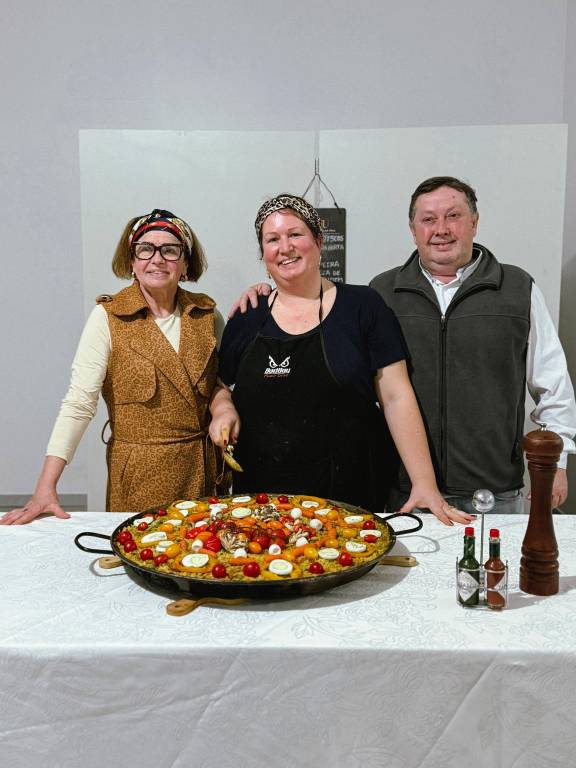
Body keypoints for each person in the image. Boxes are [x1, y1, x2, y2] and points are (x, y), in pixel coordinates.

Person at [233, 179, 576, 514]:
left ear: (474, 222)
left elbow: (553, 381)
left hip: (493, 488)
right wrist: (265, 293)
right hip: (402, 489)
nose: (441, 229)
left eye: (453, 216)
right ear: (413, 230)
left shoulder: (517, 289)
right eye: (428, 219)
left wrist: (556, 462)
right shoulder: (383, 292)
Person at [209, 194, 472, 526]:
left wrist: (424, 483)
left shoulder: (363, 307)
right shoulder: (247, 316)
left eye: (295, 234)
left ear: (319, 241)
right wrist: (223, 408)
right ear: (263, 254)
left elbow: (396, 396)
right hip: (264, 507)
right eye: (272, 240)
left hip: (351, 503)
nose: (285, 247)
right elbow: (220, 385)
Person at [1, 209, 222, 525]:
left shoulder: (207, 315)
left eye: (170, 250)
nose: (157, 259)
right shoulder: (108, 318)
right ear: (132, 261)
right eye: (145, 249)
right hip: (139, 478)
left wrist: (224, 407)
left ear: (186, 263)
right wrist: (45, 487)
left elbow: (222, 384)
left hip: (205, 476)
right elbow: (79, 403)